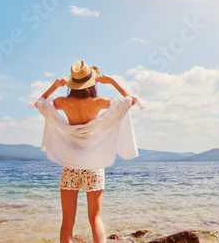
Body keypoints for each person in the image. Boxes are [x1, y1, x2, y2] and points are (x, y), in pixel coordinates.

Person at [33, 60, 141, 243]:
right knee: (95, 219)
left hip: (71, 165)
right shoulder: (99, 102)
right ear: (92, 83)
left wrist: (54, 85)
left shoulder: (63, 102)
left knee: (67, 221)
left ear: (72, 84)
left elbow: (39, 102)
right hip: (93, 165)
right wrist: (113, 82)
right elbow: (130, 100)